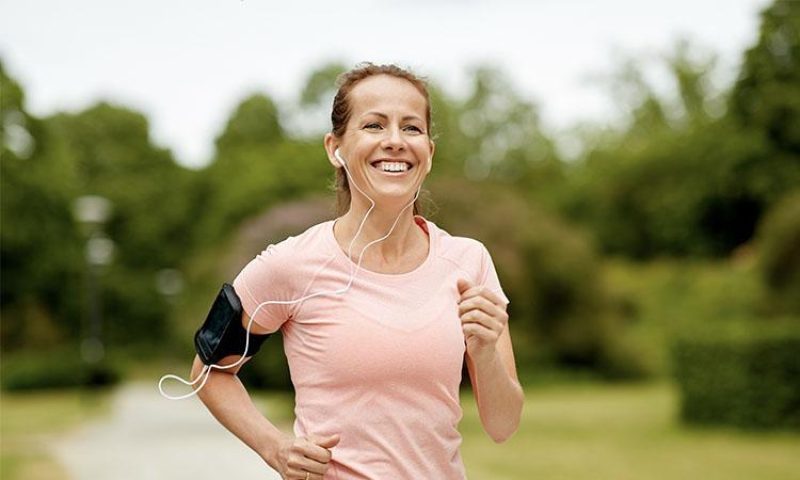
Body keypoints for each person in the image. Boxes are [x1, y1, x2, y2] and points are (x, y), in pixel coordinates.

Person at [189, 62, 523, 480]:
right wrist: (274, 448)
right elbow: (209, 371)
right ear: (335, 148)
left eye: (412, 128)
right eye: (374, 125)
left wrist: (487, 349)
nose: (395, 142)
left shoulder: (468, 262)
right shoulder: (291, 264)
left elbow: (503, 425)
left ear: (429, 154)